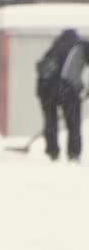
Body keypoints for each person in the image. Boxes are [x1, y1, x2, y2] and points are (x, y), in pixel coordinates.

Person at [35, 29, 85, 162]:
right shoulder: (81, 45)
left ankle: (53, 152)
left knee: (50, 122)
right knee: (73, 122)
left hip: (45, 89)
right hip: (66, 89)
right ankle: (73, 153)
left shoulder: (53, 49)